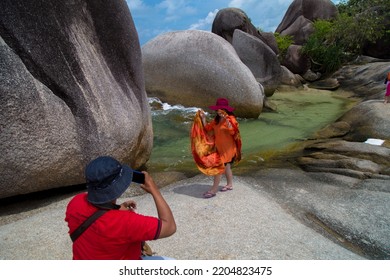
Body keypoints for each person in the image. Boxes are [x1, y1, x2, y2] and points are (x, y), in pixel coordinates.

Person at [65, 156, 176, 260]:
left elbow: (98, 221)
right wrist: (154, 190)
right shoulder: (126, 222)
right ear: (118, 186)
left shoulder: (75, 202)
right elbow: (169, 227)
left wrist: (116, 208)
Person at [198, 98, 241, 198]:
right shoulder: (216, 121)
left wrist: (226, 119)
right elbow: (207, 129)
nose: (219, 111)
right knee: (227, 167)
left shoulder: (231, 119)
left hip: (228, 149)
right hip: (219, 148)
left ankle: (213, 190)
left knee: (218, 168)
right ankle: (229, 184)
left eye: (221, 109)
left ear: (226, 110)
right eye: (218, 110)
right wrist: (203, 118)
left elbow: (233, 132)